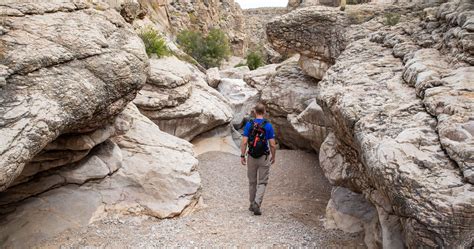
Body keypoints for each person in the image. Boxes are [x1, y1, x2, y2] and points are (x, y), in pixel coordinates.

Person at [240, 103, 276, 215]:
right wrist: (273, 156)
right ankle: (257, 203)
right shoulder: (268, 125)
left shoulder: (249, 124)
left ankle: (252, 204)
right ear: (264, 112)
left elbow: (244, 141)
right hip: (264, 157)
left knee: (252, 182)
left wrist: (242, 155)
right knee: (262, 182)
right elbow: (272, 144)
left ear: (255, 112)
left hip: (251, 156)